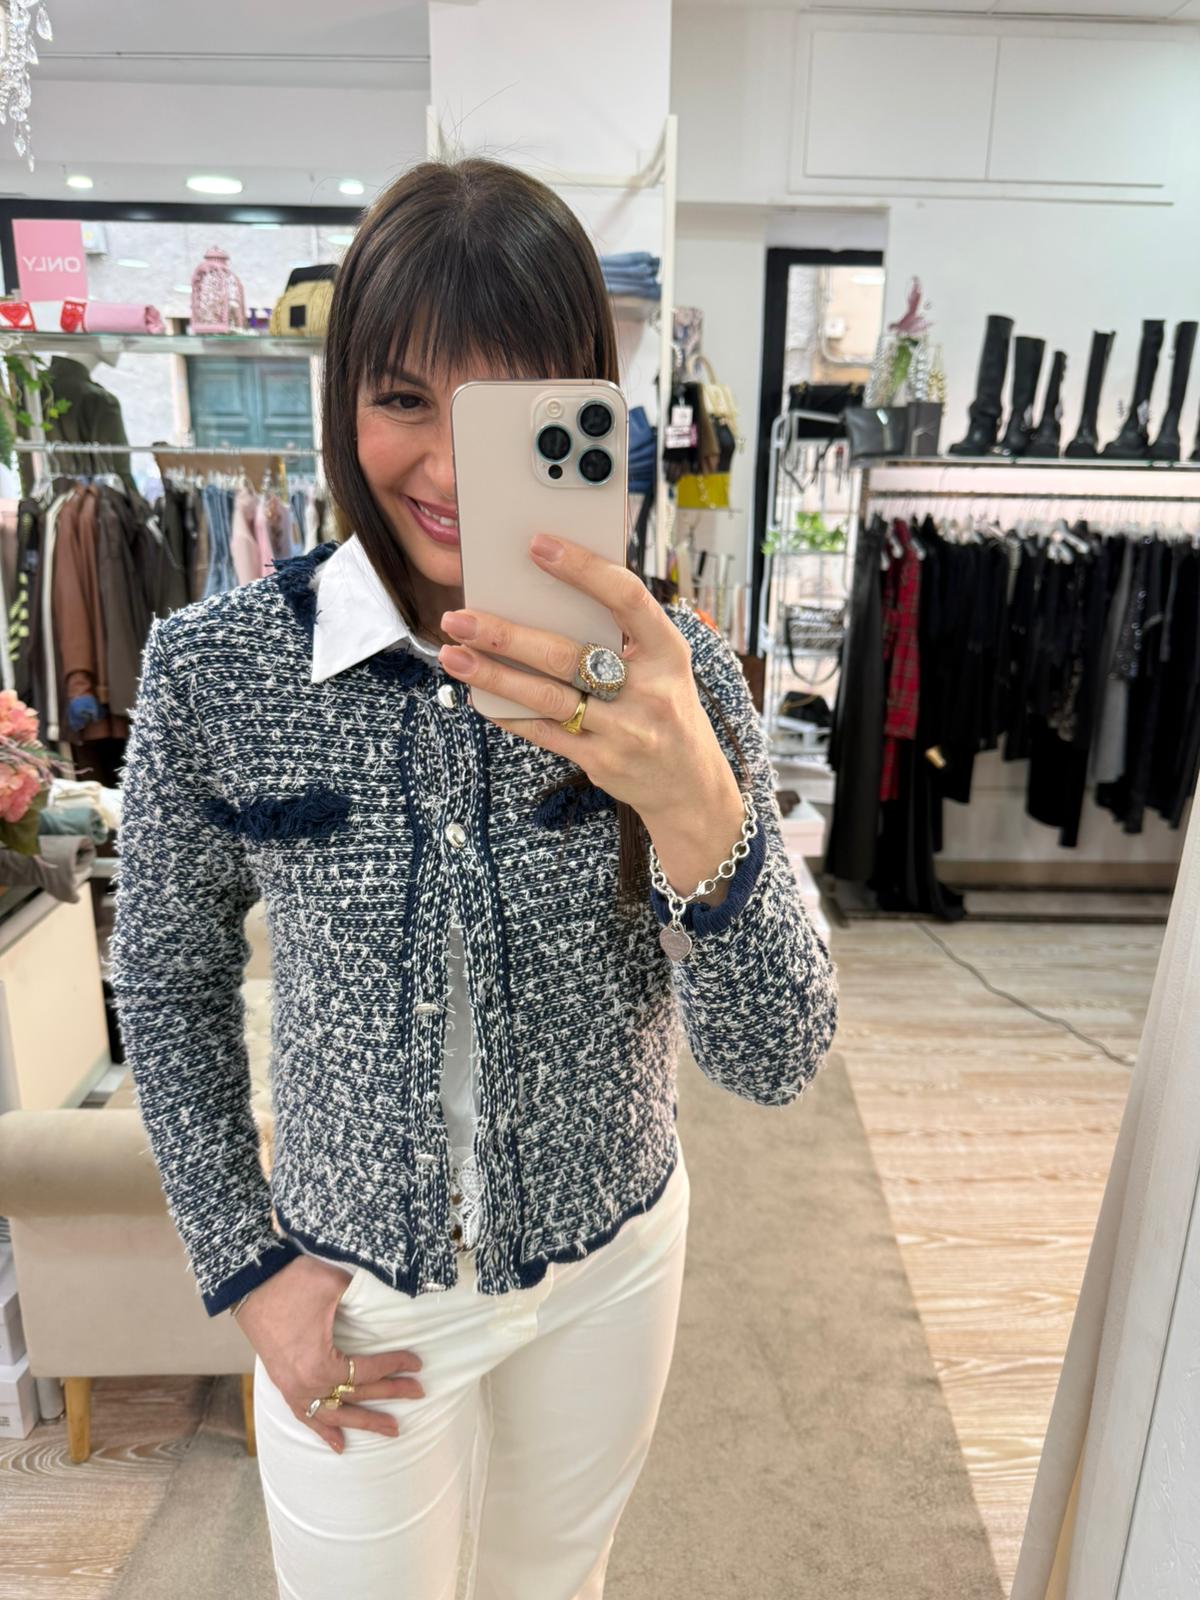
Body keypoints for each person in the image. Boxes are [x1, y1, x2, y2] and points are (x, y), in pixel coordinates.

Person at [108, 156, 838, 1599]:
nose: (445, 470)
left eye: (503, 412)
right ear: (342, 404)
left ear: (587, 414)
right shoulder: (219, 671)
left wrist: (698, 802)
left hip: (612, 1259)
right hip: (357, 1289)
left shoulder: (670, 674)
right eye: (401, 400)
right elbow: (168, 985)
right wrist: (245, 1265)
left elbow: (775, 1060)